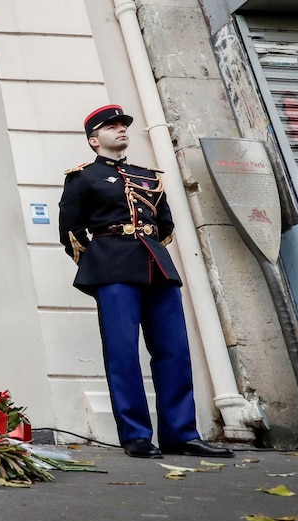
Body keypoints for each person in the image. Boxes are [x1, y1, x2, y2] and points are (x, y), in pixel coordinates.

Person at [58, 104, 231, 459]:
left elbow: (163, 225)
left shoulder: (149, 177)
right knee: (123, 353)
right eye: (112, 127)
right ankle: (136, 435)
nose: (121, 130)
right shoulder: (83, 177)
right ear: (94, 140)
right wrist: (100, 260)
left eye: (123, 125)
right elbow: (71, 230)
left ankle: (181, 433)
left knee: (174, 352)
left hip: (157, 266)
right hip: (112, 268)